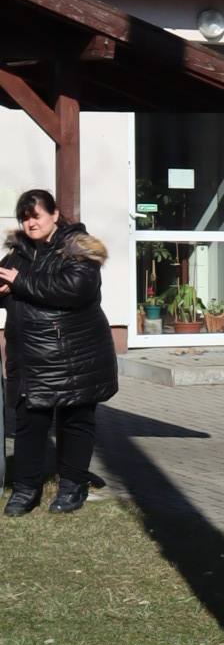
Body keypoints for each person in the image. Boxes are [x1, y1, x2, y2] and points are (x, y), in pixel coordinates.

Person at [0, 188, 118, 517]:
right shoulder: (18, 253)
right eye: (24, 218)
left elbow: (74, 289)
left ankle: (72, 486)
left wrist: (20, 283)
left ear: (54, 214)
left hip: (74, 355)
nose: (30, 223)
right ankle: (25, 490)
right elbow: (8, 284)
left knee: (75, 422)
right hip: (30, 358)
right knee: (29, 424)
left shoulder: (78, 247)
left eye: (36, 216)